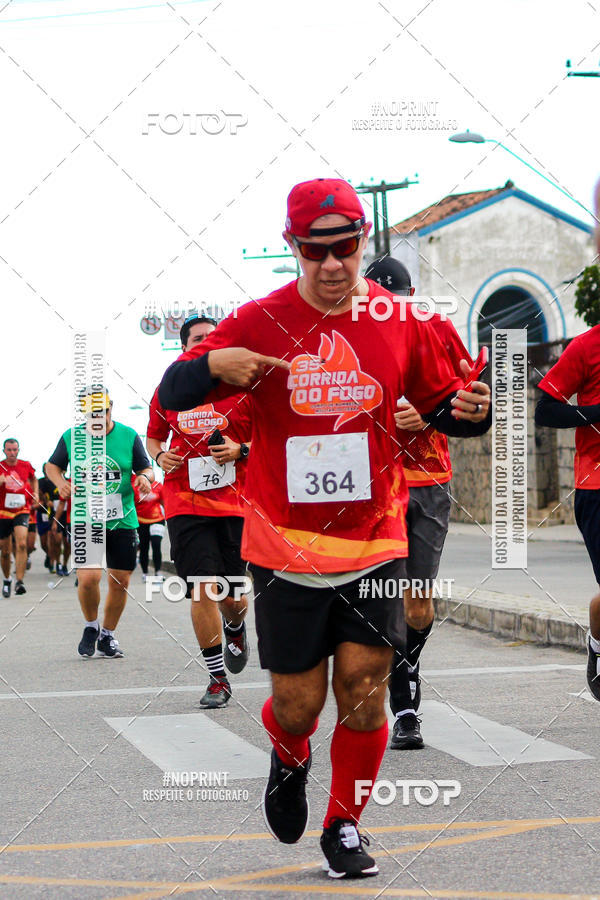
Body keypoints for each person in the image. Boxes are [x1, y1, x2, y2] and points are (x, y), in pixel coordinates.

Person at [159, 178, 491, 878]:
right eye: (317, 252)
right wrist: (212, 363)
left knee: (366, 688)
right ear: (292, 248)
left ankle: (344, 825)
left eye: (345, 249)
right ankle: (289, 753)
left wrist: (470, 410)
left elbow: (447, 406)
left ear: (363, 240)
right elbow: (174, 392)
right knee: (298, 702)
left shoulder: (401, 321)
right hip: (285, 544)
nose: (334, 265)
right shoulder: (257, 321)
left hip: (376, 536)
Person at [365, 255, 477, 752]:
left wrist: (432, 415)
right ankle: (404, 702)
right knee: (381, 598)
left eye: (398, 300)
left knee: (417, 601)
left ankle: (406, 663)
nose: (390, 309)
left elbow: (465, 393)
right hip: (375, 484)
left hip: (429, 480)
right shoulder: (352, 338)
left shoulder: (436, 327)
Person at [147, 314, 252, 708]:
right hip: (183, 501)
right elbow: (155, 435)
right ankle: (216, 678)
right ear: (186, 348)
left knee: (233, 594)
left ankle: (236, 626)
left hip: (234, 504)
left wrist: (241, 451)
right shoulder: (169, 390)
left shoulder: (244, 387)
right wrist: (160, 455)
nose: (206, 342)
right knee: (202, 587)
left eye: (213, 337)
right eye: (198, 339)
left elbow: (272, 441)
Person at [535, 177, 600, 701]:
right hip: (596, 486)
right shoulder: (586, 347)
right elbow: (546, 408)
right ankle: (599, 644)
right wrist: (597, 414)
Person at [46, 388, 153, 658]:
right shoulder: (72, 436)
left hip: (122, 519)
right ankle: (91, 626)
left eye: (102, 412)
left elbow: (146, 467)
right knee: (89, 578)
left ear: (111, 407)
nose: (98, 418)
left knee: (120, 582)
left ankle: (107, 635)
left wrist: (145, 478)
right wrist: (61, 483)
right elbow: (52, 466)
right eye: (92, 414)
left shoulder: (128, 435)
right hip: (85, 518)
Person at [0, 438, 38, 597]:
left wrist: (35, 492)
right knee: (5, 551)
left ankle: (19, 581)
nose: (12, 453)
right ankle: (7, 579)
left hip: (22, 509)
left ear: (18, 450)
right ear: (4, 451)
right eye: (9, 450)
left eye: (15, 450)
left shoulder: (25, 465)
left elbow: (34, 478)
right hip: (3, 512)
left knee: (22, 544)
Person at [132, 470, 165, 581]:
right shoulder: (135, 487)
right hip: (141, 521)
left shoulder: (158, 486)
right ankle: (145, 573)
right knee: (144, 547)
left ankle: (158, 572)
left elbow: (164, 503)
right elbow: (130, 504)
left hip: (157, 519)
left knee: (156, 545)